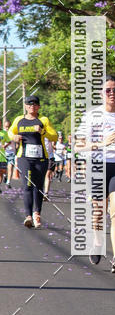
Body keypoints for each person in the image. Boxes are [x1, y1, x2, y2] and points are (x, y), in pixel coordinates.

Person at [76, 75, 115, 272]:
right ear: (101, 94)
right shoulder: (91, 116)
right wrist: (102, 143)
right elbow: (79, 146)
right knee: (97, 214)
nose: (112, 93)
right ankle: (97, 243)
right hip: (97, 167)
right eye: (107, 90)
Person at [7, 95, 58, 228]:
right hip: (24, 157)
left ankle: (37, 214)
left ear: (39, 106)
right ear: (25, 106)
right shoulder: (19, 120)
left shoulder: (43, 120)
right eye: (29, 104)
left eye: (35, 104)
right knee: (27, 185)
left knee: (38, 186)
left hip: (41, 158)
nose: (32, 106)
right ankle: (28, 216)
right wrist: (14, 136)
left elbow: (55, 136)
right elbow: (10, 132)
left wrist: (42, 132)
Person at [3, 119, 16, 187]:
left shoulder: (13, 133)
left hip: (11, 153)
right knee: (4, 168)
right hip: (3, 153)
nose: (7, 128)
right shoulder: (2, 133)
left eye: (8, 126)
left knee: (10, 167)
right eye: (6, 127)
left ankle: (8, 182)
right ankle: (5, 175)